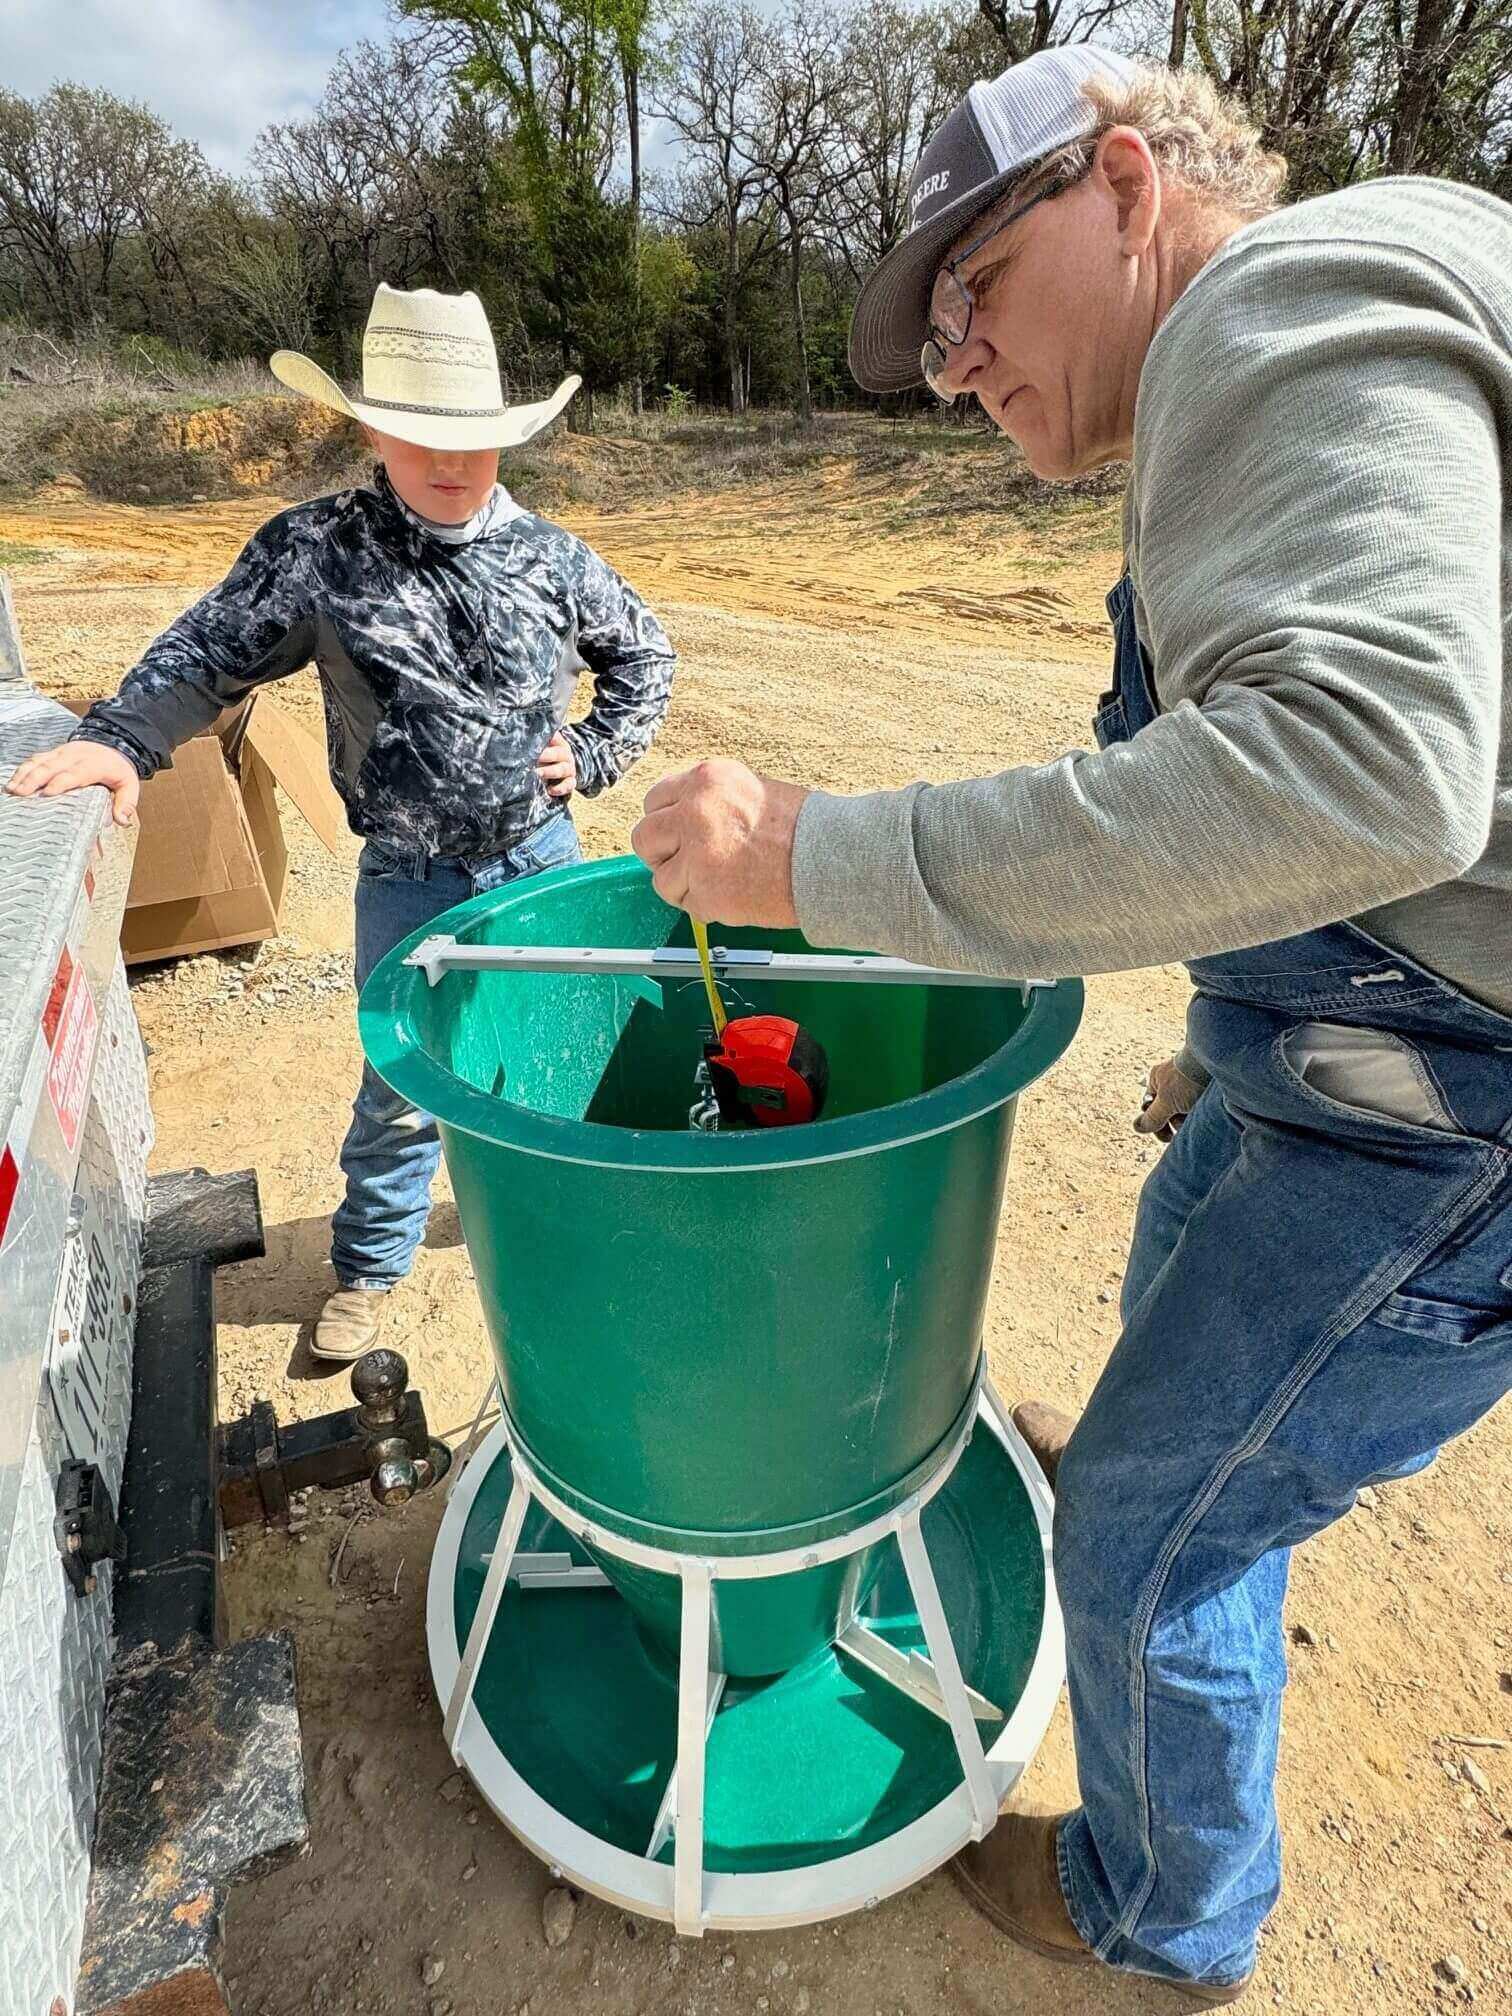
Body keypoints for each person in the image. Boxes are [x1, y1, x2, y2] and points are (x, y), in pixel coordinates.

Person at [631, 44, 1512, 2007]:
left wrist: (809, 852)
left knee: (1139, 1531)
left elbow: (1369, 773)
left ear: (1128, 186)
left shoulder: (1276, 299)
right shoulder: (1320, 339)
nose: (952, 363)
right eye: (932, 333)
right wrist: (1249, 1013)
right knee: (1162, 1318)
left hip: (1452, 1111)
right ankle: (1178, 1463)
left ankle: (1164, 1911)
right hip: (1347, 1060)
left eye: (974, 293)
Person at [8, 283, 676, 1363]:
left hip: (539, 864)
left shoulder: (553, 560)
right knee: (406, 1087)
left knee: (558, 1059)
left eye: (471, 440)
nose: (449, 464)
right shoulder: (321, 552)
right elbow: (207, 652)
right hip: (410, 880)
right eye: (418, 437)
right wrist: (122, 740)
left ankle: (568, 1232)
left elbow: (646, 658)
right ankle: (370, 1263)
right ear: (372, 428)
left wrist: (593, 753)